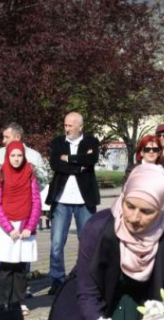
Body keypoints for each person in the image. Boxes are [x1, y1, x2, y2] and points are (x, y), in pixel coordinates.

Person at [39, 164, 164, 320]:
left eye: (146, 211)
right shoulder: (98, 228)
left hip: (139, 316)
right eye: (129, 205)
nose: (134, 218)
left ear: (161, 210)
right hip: (86, 312)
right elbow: (87, 292)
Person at [45, 112, 100, 295]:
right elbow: (55, 164)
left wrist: (68, 159)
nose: (66, 129)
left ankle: (86, 278)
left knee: (87, 243)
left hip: (84, 200)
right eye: (65, 125)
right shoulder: (59, 143)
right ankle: (57, 279)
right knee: (56, 244)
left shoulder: (91, 142)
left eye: (70, 125)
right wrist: (80, 165)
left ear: (80, 127)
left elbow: (91, 161)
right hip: (61, 200)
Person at [0, 141, 41, 315]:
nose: (16, 159)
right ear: (7, 156)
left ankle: (19, 301)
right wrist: (8, 228)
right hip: (6, 228)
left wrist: (30, 226)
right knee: (5, 267)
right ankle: (2, 301)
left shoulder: (30, 174)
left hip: (25, 225)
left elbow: (36, 202)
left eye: (20, 155)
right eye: (13, 155)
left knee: (20, 267)